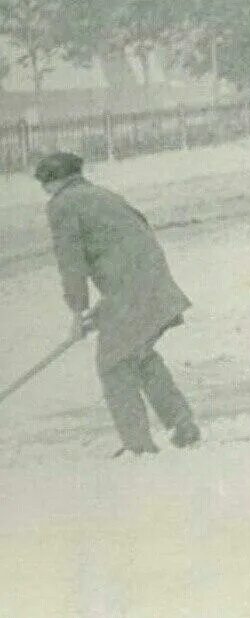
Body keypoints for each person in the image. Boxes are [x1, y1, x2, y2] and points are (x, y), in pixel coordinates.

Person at [35, 152, 201, 456]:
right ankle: (182, 425)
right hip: (152, 281)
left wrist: (77, 312)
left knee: (113, 365)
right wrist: (105, 308)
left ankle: (138, 447)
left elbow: (71, 262)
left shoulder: (61, 204)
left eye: (43, 184)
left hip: (130, 290)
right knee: (140, 355)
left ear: (51, 181)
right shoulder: (102, 195)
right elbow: (129, 243)